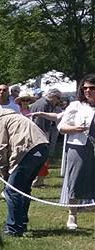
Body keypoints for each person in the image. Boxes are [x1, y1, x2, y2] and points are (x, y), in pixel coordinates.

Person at [0, 105, 49, 236]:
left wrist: (4, 170)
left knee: (12, 190)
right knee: (23, 189)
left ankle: (14, 228)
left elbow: (0, 147)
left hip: (28, 150)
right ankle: (21, 223)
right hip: (42, 147)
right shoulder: (13, 116)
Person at [57, 75, 95, 231]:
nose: (88, 91)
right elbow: (61, 127)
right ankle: (72, 215)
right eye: (85, 88)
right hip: (78, 147)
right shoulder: (76, 105)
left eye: (92, 88)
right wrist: (74, 129)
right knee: (75, 180)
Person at [29, 89, 63, 187]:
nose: (58, 101)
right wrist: (43, 137)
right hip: (40, 135)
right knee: (40, 157)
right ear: (53, 96)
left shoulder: (44, 103)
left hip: (40, 134)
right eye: (58, 98)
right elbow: (39, 123)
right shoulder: (43, 104)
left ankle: (39, 180)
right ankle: (36, 181)